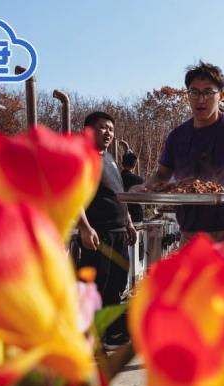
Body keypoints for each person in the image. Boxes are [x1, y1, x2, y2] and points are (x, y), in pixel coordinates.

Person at [143, 61, 224, 244]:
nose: (201, 99)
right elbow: (162, 175)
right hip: (191, 236)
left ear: (221, 95)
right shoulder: (177, 136)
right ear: (188, 95)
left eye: (208, 92)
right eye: (194, 92)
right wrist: (145, 188)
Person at [77, 111, 137, 349]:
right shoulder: (83, 158)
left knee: (117, 283)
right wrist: (85, 227)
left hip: (120, 231)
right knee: (95, 286)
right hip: (97, 233)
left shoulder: (109, 158)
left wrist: (129, 222)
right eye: (103, 128)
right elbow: (75, 196)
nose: (108, 133)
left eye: (111, 129)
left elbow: (118, 193)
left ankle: (111, 333)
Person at [120, 152, 145, 223]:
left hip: (120, 215)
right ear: (134, 165)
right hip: (135, 215)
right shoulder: (139, 180)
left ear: (122, 163)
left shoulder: (116, 178)